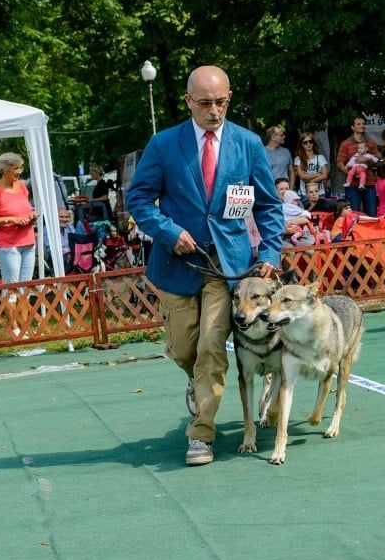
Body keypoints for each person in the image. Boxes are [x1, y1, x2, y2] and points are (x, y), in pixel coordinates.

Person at [125, 65, 282, 467]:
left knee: (212, 345)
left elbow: (267, 205)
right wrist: (167, 231)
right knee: (185, 350)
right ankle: (197, 384)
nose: (214, 111)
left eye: (222, 102)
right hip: (176, 264)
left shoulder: (247, 144)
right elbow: (139, 201)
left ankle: (201, 436)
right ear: (188, 101)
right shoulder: (163, 145)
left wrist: (268, 254)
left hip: (226, 264)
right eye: (206, 103)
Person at [0, 152, 38, 337]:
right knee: (11, 285)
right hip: (7, 244)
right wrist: (9, 219)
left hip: (27, 241)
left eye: (21, 168)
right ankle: (15, 329)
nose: (19, 172)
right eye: (16, 168)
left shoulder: (21, 186)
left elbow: (26, 207)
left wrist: (31, 216)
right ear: (4, 169)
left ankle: (25, 327)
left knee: (25, 285)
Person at [336, 115, 380, 215]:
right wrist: (350, 173)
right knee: (353, 215)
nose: (362, 126)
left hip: (369, 184)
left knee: (371, 214)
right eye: (358, 124)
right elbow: (339, 163)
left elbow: (378, 163)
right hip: (352, 185)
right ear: (352, 127)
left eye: (363, 124)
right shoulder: (345, 143)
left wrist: (367, 160)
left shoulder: (371, 143)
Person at [43, 207, 75, 273]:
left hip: (70, 256)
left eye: (67, 217)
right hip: (55, 257)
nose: (65, 219)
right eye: (61, 217)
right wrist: (67, 251)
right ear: (54, 218)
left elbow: (76, 241)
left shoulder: (70, 227)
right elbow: (49, 249)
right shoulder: (47, 229)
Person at [264, 125, 295, 189]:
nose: (284, 136)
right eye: (281, 135)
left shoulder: (286, 151)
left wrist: (291, 189)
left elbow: (291, 171)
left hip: (286, 191)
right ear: (273, 137)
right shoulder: (262, 153)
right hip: (270, 191)